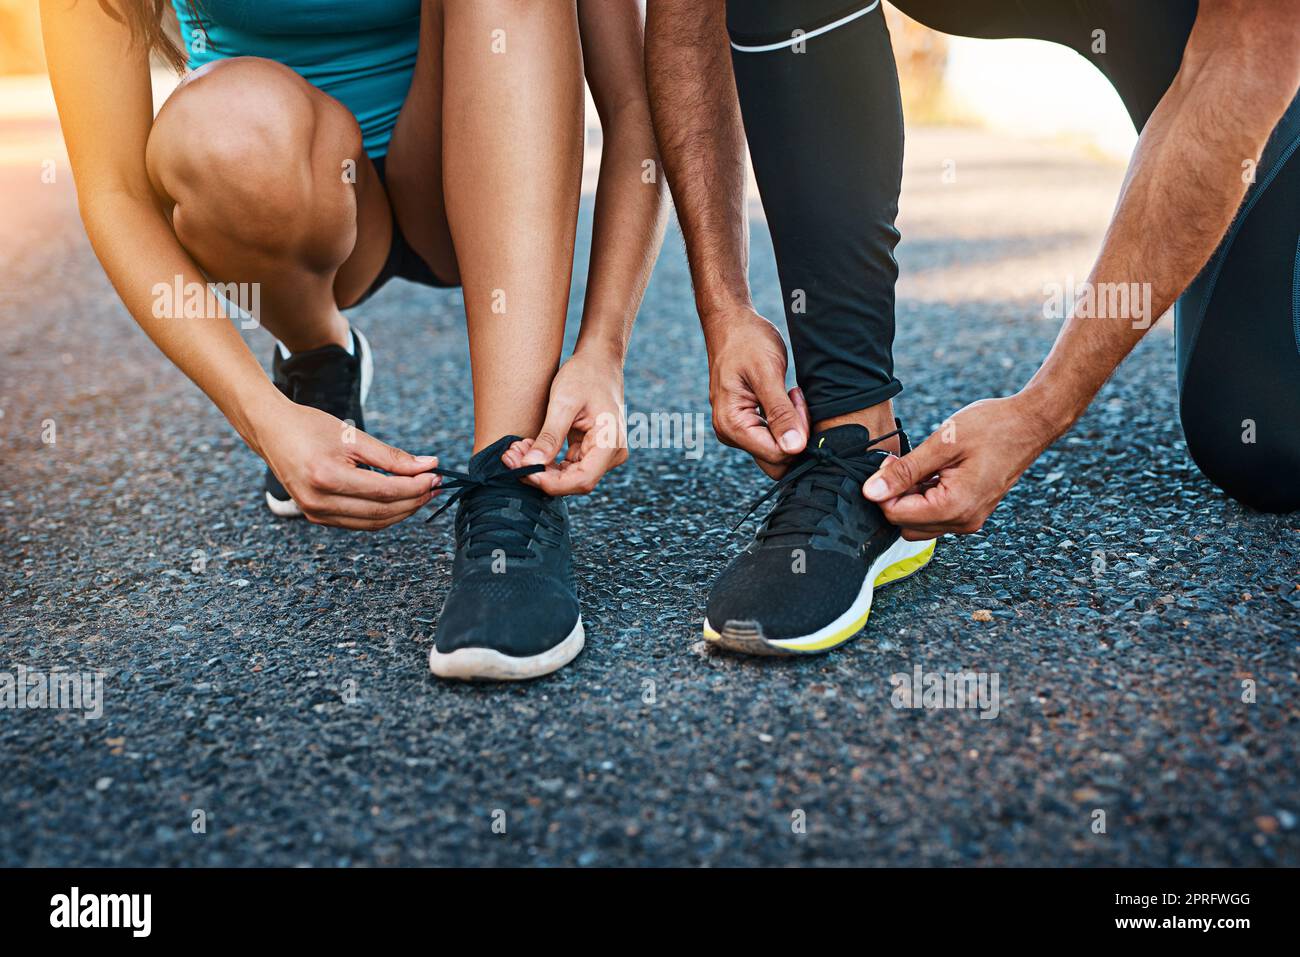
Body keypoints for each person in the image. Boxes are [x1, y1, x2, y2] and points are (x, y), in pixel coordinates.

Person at [645, 0, 1300, 655]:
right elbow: (687, 15)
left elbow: (1239, 58)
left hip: (1230, 44)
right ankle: (853, 442)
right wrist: (723, 305)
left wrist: (1041, 410)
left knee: (1261, 439)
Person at [41, 0, 667, 680]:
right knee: (221, 134)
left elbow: (637, 100)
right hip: (298, 193)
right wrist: (264, 417)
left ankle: (509, 476)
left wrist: (603, 345)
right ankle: (317, 352)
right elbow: (114, 192)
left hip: (475, 156)